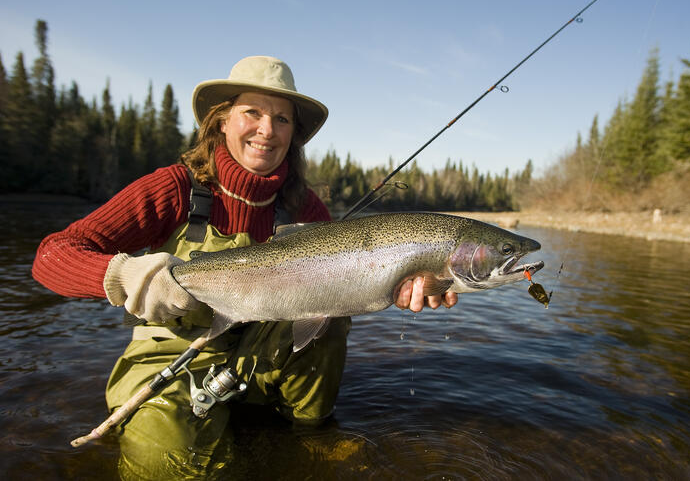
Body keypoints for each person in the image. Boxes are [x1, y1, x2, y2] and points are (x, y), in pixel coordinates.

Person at [32, 55, 457, 477]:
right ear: (221, 120)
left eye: (282, 119)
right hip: (174, 356)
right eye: (251, 112)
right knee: (169, 467)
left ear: (294, 134)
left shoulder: (304, 207)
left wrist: (392, 284)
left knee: (333, 316)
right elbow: (52, 255)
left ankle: (309, 436)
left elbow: (345, 286)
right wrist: (125, 275)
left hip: (261, 354)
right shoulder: (174, 188)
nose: (267, 131)